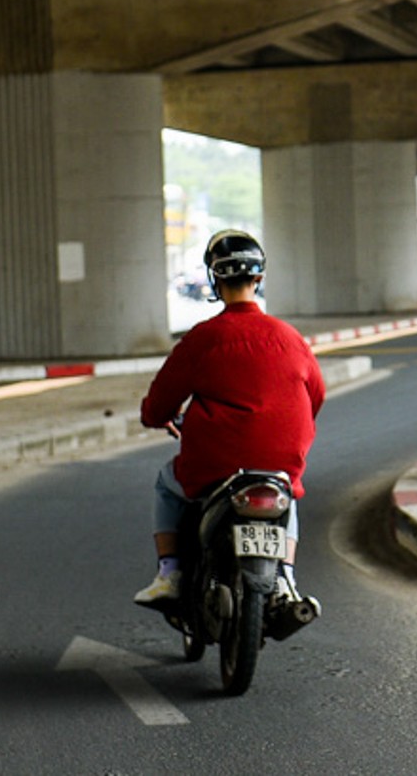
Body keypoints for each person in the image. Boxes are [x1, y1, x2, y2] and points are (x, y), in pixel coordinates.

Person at [135, 229, 326, 624]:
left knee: (166, 483)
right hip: (281, 461)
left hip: (215, 466)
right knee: (285, 496)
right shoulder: (290, 338)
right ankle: (285, 580)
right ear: (258, 279)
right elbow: (317, 395)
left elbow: (158, 405)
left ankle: (169, 574)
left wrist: (158, 418)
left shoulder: (203, 339)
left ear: (215, 279)